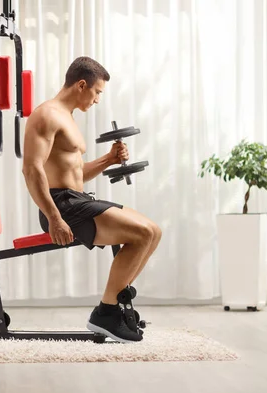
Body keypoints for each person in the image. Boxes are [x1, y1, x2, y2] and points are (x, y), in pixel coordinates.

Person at [21, 56, 162, 343]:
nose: (98, 99)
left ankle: (115, 306)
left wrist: (109, 159)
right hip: (62, 207)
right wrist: (54, 218)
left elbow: (75, 175)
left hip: (75, 198)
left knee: (154, 232)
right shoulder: (46, 115)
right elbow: (31, 169)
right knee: (142, 233)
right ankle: (106, 313)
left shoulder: (67, 117)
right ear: (81, 85)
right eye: (97, 92)